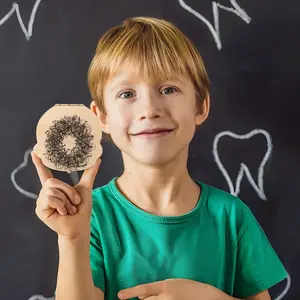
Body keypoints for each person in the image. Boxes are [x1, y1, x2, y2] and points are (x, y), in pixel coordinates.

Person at [32, 16, 288, 300]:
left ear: (200, 106)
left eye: (168, 89)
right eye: (127, 93)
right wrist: (72, 240)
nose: (150, 109)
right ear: (101, 117)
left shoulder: (231, 217)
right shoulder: (91, 217)